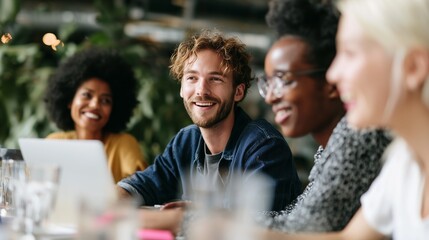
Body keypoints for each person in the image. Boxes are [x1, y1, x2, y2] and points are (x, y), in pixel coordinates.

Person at [190, 0, 429, 239]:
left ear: (413, 67)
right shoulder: (404, 163)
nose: (333, 75)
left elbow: (308, 225)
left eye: (350, 53)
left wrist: (198, 221)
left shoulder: (369, 144)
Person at [117, 30, 302, 212]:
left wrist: (194, 217)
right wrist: (112, 200)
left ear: (238, 92)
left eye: (215, 79)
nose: (201, 90)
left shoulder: (264, 147)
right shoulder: (186, 141)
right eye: (192, 78)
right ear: (181, 89)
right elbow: (142, 186)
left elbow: (256, 226)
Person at [254, 0, 392, 232]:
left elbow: (306, 227)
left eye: (283, 80)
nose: (270, 97)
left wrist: (194, 220)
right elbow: (299, 212)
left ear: (329, 81)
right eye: (268, 83)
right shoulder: (331, 145)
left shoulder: (359, 137)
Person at [44, 48, 148, 183]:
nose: (95, 105)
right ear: (70, 100)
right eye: (87, 95)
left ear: (114, 109)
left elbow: (140, 189)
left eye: (105, 100)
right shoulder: (54, 143)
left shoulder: (123, 144)